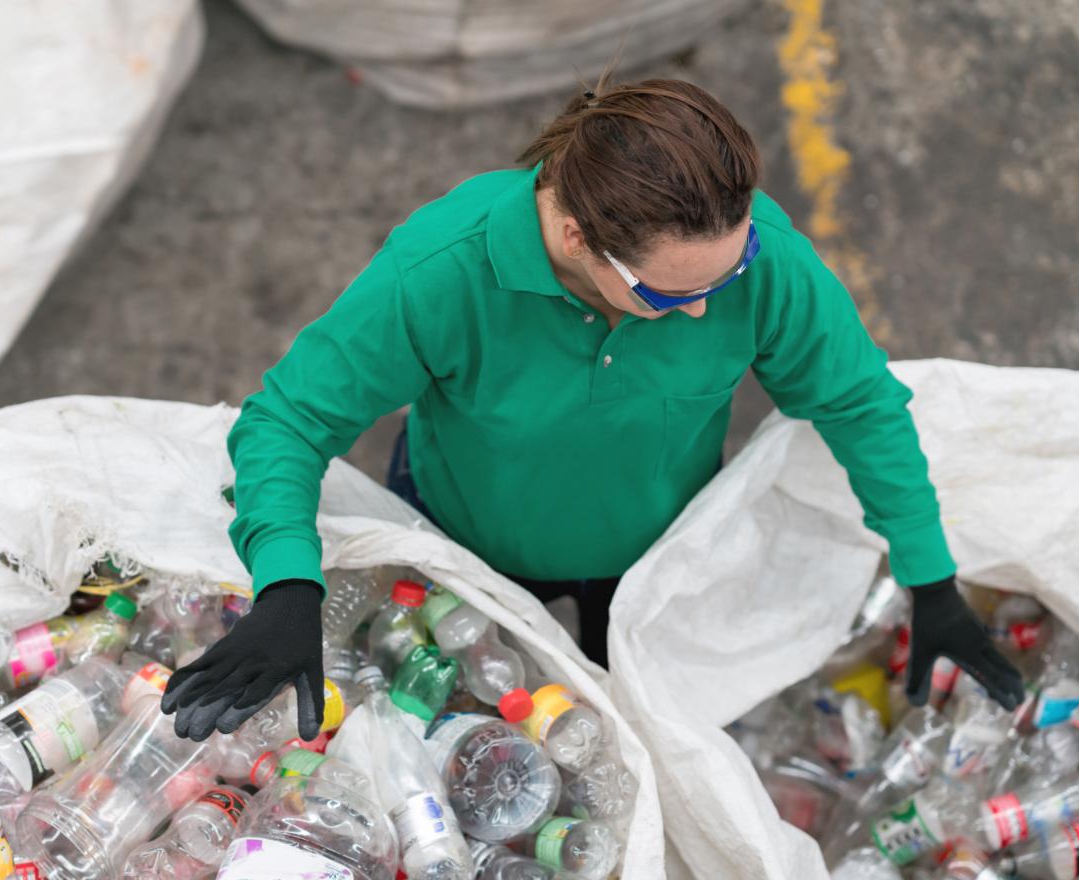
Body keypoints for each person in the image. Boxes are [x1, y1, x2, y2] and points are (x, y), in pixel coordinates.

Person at [161, 75, 1025, 743]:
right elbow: (288, 420)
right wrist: (285, 585)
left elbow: (860, 404)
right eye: (670, 292)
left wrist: (930, 575)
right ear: (577, 235)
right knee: (480, 734)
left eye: (728, 273)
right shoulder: (441, 270)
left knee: (629, 733)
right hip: (468, 550)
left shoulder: (753, 265)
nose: (704, 309)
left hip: (650, 563)